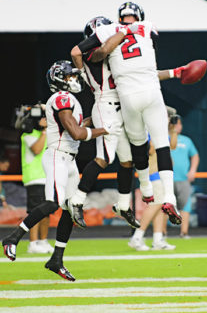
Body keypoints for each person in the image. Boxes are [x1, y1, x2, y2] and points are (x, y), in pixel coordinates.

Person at [69, 16, 188, 229]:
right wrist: (125, 31)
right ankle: (77, 200)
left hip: (123, 102)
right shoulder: (94, 53)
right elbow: (96, 52)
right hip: (106, 104)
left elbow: (146, 74)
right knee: (105, 156)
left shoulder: (117, 53)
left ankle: (124, 205)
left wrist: (175, 72)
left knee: (127, 160)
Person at [2, 60, 109, 281]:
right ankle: (12, 238)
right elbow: (77, 133)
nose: (75, 79)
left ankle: (56, 259)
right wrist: (106, 130)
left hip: (69, 160)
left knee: (70, 208)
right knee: (52, 204)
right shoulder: (61, 99)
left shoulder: (70, 100)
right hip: (57, 157)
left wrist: (100, 121)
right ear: (60, 79)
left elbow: (79, 126)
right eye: (71, 76)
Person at [129, 112, 179, 251]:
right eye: (168, 117)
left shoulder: (163, 132)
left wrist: (172, 129)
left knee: (161, 206)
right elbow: (150, 150)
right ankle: (137, 237)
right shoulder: (150, 130)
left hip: (162, 175)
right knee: (155, 204)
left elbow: (173, 146)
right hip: (154, 172)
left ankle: (158, 240)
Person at [20, 111, 53, 254]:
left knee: (47, 211)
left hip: (47, 176)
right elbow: (37, 149)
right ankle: (32, 243)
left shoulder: (46, 134)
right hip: (33, 178)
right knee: (35, 211)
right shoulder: (27, 135)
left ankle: (43, 241)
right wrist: (45, 131)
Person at [170, 115, 199, 238]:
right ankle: (160, 234)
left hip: (183, 179)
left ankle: (184, 232)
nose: (178, 127)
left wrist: (192, 170)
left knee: (185, 205)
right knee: (164, 206)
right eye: (176, 124)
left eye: (180, 124)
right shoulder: (164, 139)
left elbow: (195, 156)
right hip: (167, 179)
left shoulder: (187, 140)